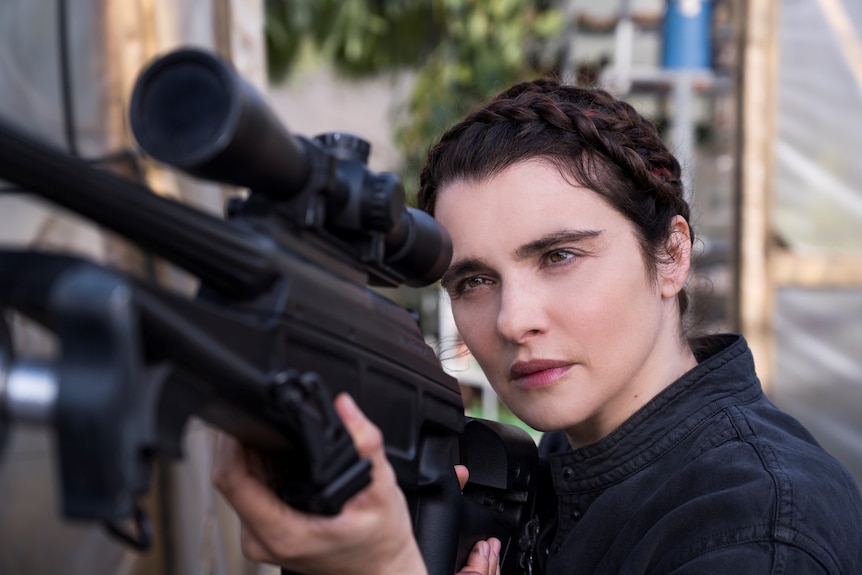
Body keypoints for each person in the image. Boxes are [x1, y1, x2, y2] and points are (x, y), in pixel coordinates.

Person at [213, 78, 862, 574]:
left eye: (558, 256)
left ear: (671, 256)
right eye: (472, 280)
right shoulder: (558, 462)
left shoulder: (755, 528)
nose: (512, 319)